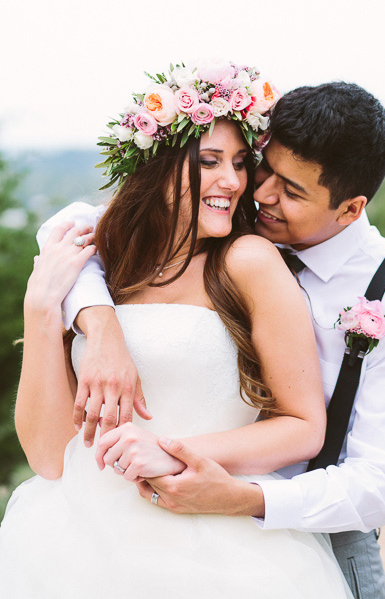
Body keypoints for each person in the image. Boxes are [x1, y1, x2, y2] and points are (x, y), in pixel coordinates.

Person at [49, 82, 385, 599]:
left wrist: (242, 497)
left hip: (312, 539)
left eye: (293, 192)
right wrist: (98, 323)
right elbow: (70, 226)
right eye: (264, 169)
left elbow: (383, 482)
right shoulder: (225, 225)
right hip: (150, 521)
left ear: (349, 209)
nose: (260, 194)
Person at [0, 62, 352, 598]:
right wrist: (44, 310)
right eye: (208, 161)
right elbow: (50, 456)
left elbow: (304, 426)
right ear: (158, 168)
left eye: (239, 163)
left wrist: (174, 450)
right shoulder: (100, 269)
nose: (233, 182)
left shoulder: (247, 261)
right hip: (77, 541)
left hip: (212, 540)